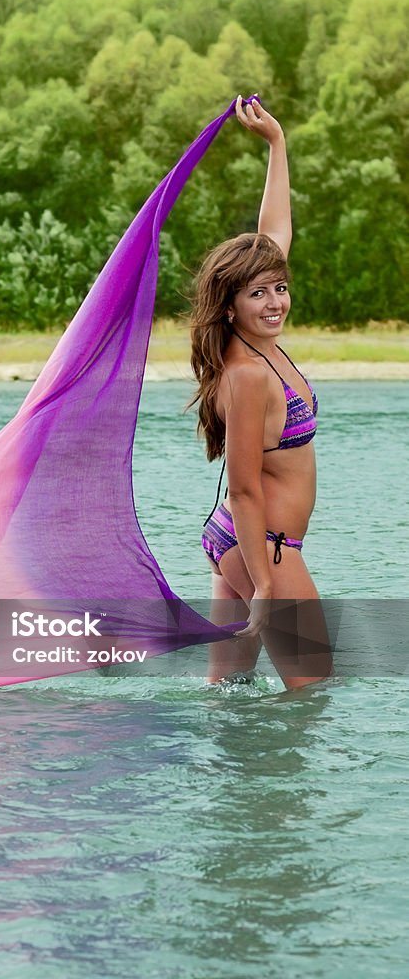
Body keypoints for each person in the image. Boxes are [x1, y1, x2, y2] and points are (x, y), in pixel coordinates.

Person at [188, 96, 332, 690]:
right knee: (315, 688)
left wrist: (277, 144)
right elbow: (246, 487)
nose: (275, 302)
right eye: (258, 294)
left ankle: (215, 779)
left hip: (246, 541)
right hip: (262, 544)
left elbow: (274, 233)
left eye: (280, 287)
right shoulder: (246, 375)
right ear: (230, 305)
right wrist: (265, 583)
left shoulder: (260, 347)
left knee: (229, 694)